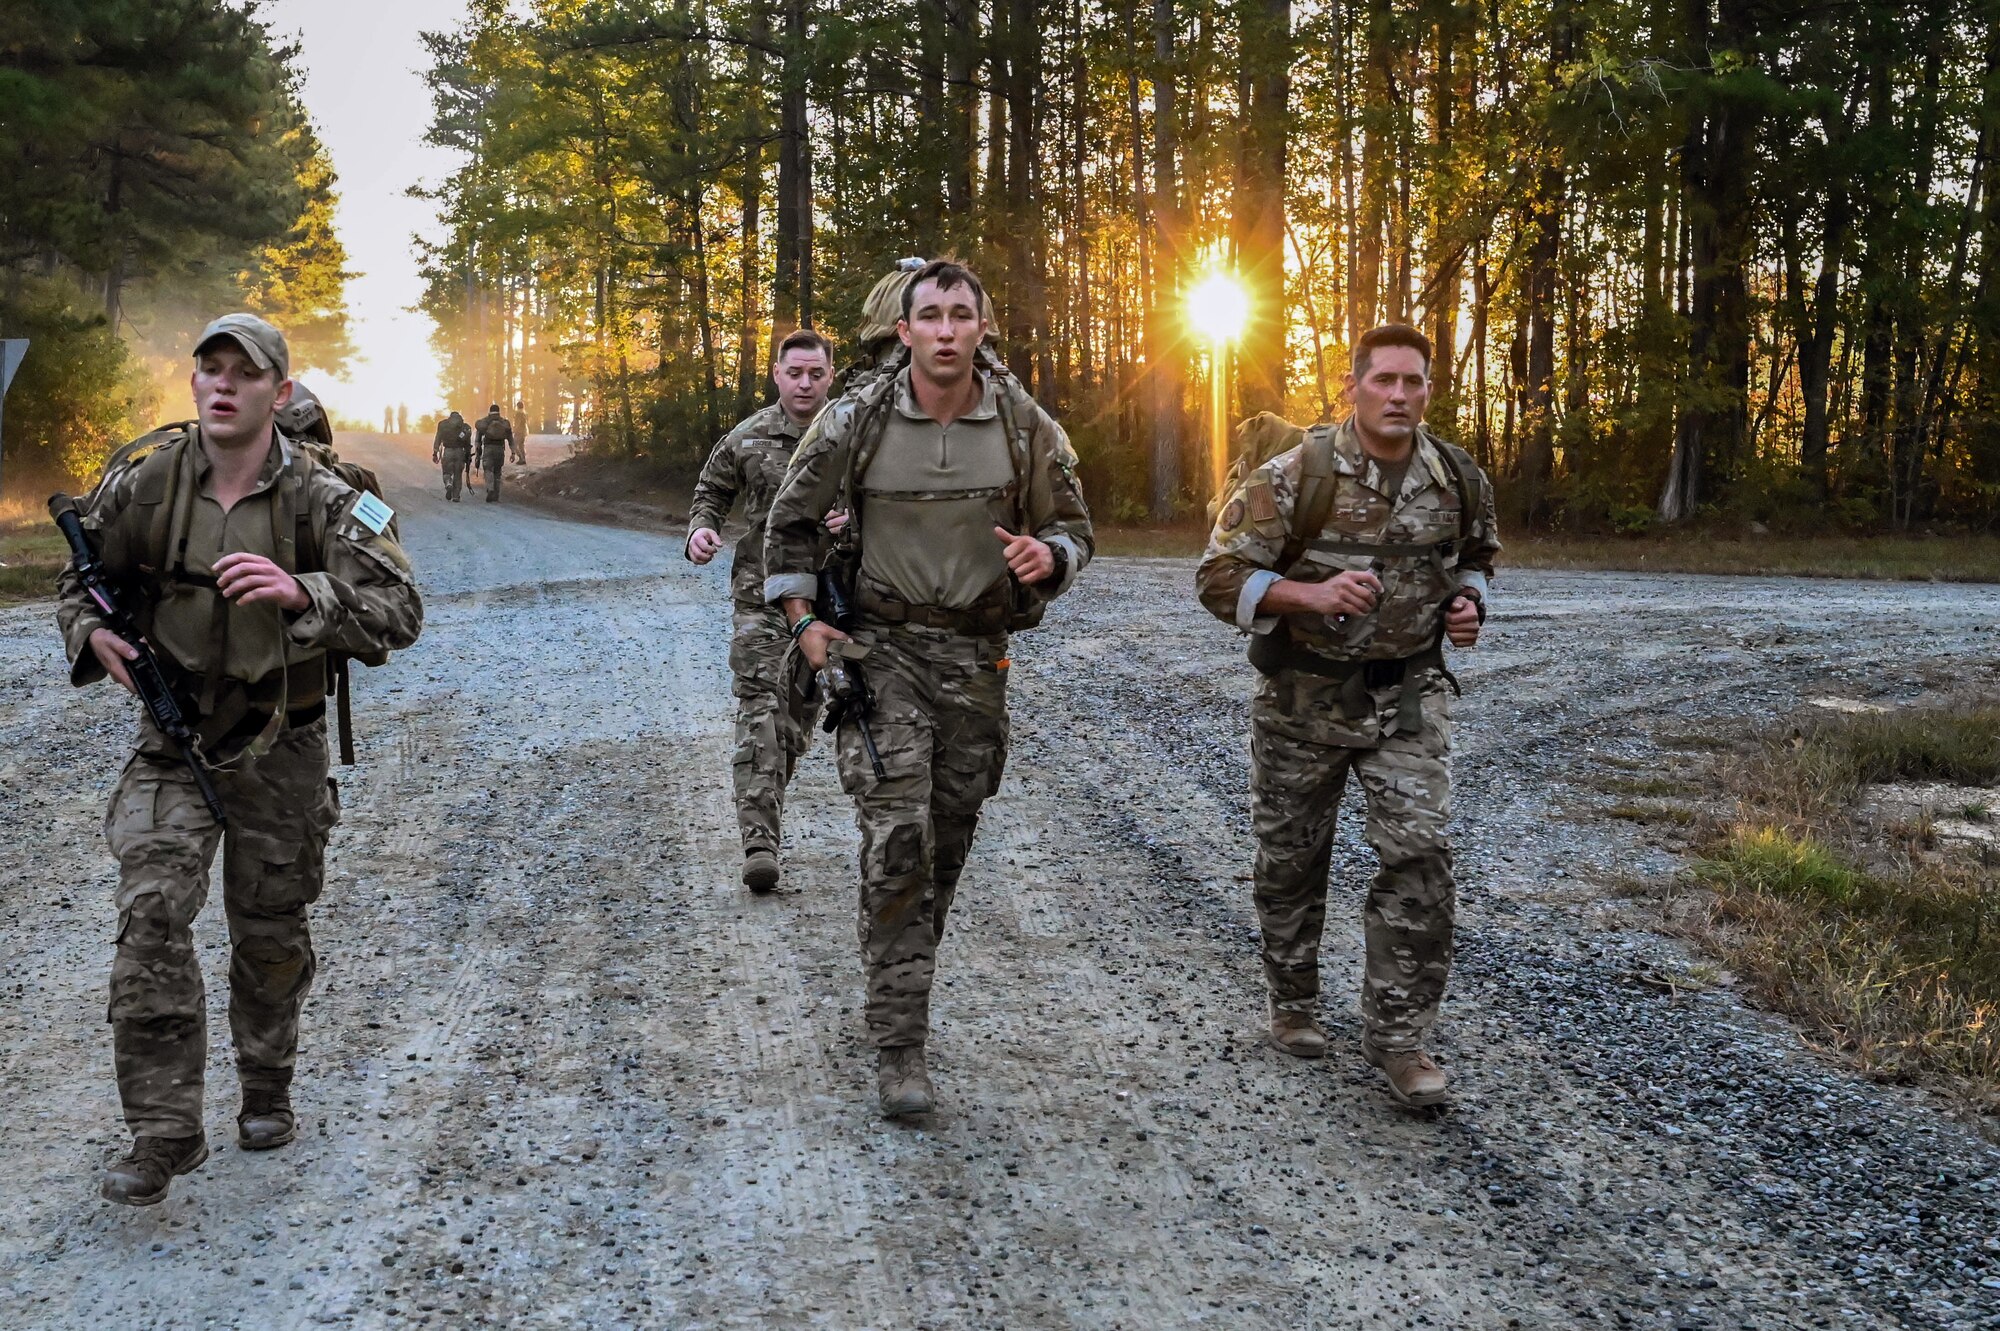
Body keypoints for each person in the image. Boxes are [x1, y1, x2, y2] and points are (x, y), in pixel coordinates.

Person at [54, 312, 423, 1205]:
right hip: (173, 744)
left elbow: (402, 607)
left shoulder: (332, 497)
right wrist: (91, 630)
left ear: (278, 392)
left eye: (244, 373)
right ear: (195, 385)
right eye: (209, 369)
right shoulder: (147, 482)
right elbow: (80, 580)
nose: (222, 384)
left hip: (281, 744)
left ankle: (267, 1084)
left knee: (269, 933)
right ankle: (163, 1130)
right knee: (149, 914)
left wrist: (308, 590)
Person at [763, 260, 1094, 1118]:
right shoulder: (855, 419)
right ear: (903, 331)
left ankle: (890, 963)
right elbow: (790, 522)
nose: (946, 330)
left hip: (977, 658)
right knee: (899, 837)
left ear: (983, 329)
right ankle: (900, 1043)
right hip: (882, 653)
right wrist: (805, 623)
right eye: (931, 317)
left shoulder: (1024, 423)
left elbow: (1075, 527)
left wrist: (1048, 556)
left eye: (961, 315)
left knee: (945, 841)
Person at [1194, 323, 1499, 1109]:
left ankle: (1399, 1039)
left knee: (1420, 855)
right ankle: (1293, 999)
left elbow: (1475, 556)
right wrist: (1309, 595)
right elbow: (1219, 576)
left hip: (1407, 701)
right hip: (1302, 698)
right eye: (1384, 381)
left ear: (1430, 390)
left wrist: (1467, 603)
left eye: (1414, 382)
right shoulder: (1297, 474)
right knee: (1292, 858)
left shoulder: (1457, 476)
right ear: (1353, 387)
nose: (1399, 395)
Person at [685, 329, 838, 891]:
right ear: (777, 375)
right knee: (759, 711)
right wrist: (700, 531)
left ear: (829, 376)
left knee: (796, 723)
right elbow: (710, 493)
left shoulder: (856, 437)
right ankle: (760, 843)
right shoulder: (748, 438)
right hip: (762, 598)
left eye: (815, 374)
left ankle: (767, 800)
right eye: (794, 373)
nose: (804, 383)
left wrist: (858, 521)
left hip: (835, 602)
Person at [474, 403, 512, 502]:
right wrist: (513, 453)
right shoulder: (504, 422)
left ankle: (490, 488)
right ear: (499, 411)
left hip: (488, 448)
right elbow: (510, 438)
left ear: (489, 411)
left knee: (488, 469)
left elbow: (478, 438)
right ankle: (496, 495)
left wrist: (477, 451)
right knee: (497, 472)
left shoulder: (485, 422)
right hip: (500, 449)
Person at [433, 410, 472, 502]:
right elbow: (467, 443)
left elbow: (438, 439)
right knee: (458, 475)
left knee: (446, 472)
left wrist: (435, 452)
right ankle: (456, 496)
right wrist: (468, 456)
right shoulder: (465, 427)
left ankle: (448, 483)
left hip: (448, 451)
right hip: (460, 452)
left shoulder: (444, 425)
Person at [511, 400, 529, 464]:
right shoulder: (524, 413)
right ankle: (523, 458)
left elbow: (517, 423)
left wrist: (514, 430)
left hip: (519, 431)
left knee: (514, 445)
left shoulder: (518, 413)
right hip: (524, 431)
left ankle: (521, 457)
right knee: (521, 446)